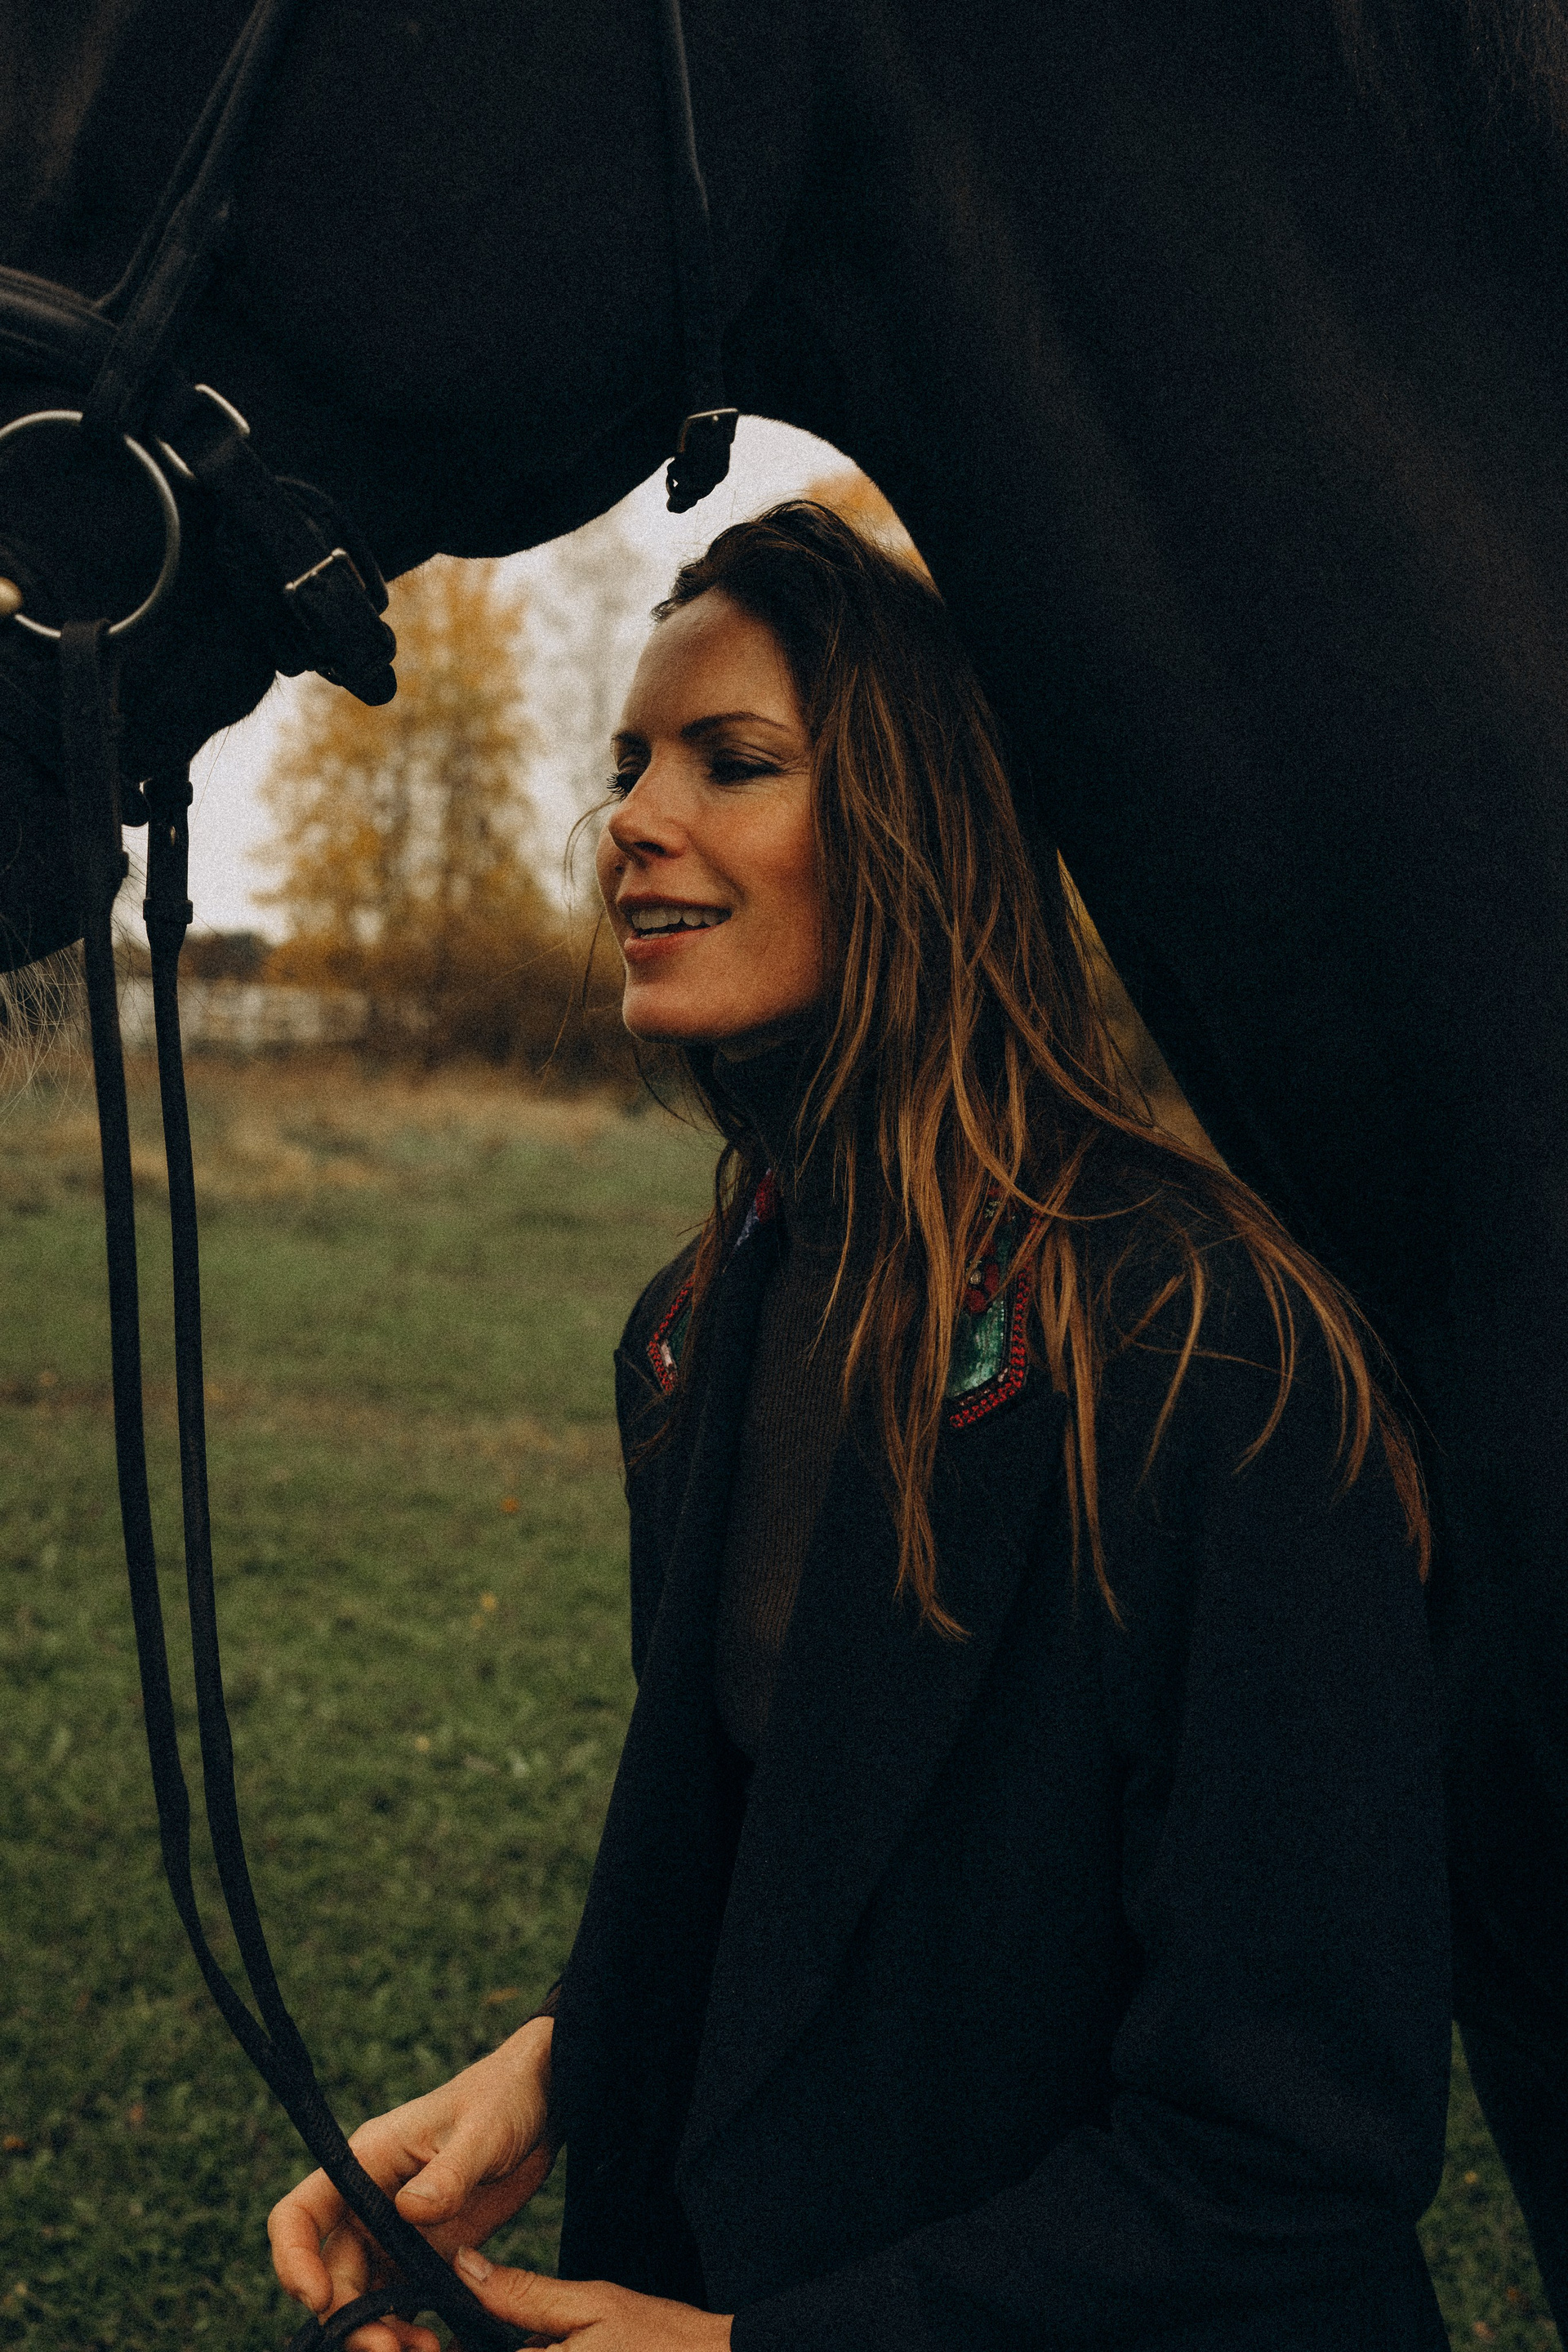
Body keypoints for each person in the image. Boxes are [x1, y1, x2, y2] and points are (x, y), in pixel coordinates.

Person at [269, 503, 1452, 2352]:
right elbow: (794, 1881)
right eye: (629, 765)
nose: (632, 821)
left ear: (919, 826)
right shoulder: (694, 1324)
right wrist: (561, 2063)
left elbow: (1294, 2152)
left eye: (732, 761)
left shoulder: (1207, 1350)